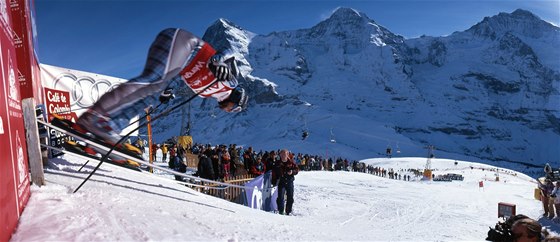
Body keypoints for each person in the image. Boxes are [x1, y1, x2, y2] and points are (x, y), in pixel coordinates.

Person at [72, 28, 249, 154]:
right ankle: (96, 115)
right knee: (153, 82)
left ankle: (109, 127)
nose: (230, 110)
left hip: (178, 59)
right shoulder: (229, 83)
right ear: (237, 97)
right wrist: (219, 60)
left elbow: (182, 74)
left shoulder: (205, 93)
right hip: (184, 43)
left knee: (150, 96)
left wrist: (167, 90)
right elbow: (230, 50)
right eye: (235, 107)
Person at [273, 149, 299, 215]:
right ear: (280, 155)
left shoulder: (291, 162)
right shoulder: (277, 163)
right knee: (280, 197)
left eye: (285, 154)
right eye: (282, 154)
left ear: (287, 155)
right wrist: (274, 181)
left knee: (290, 197)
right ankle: (281, 211)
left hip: (289, 182)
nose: (284, 156)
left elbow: (297, 170)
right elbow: (274, 173)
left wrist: (292, 172)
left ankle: (288, 211)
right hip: (281, 182)